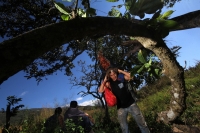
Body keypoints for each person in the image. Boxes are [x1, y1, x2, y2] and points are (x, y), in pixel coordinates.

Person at [98, 67, 150, 133]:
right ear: (109, 76)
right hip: (121, 108)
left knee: (142, 123)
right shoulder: (109, 84)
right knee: (124, 128)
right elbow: (100, 90)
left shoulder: (121, 77)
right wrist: (105, 80)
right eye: (111, 75)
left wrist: (121, 71)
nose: (114, 76)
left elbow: (131, 77)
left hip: (131, 104)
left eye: (114, 74)